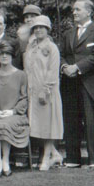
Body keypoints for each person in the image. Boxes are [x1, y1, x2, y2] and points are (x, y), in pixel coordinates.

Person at [59, 0, 94, 168]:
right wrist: (65, 66)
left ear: (88, 12)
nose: (74, 13)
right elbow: (61, 54)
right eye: (73, 10)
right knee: (70, 119)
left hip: (89, 82)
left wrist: (77, 67)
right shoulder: (68, 34)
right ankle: (73, 158)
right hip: (69, 82)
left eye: (77, 10)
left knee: (91, 121)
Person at [24, 15, 64, 171]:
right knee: (36, 125)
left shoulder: (52, 48)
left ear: (48, 29)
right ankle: (55, 154)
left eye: (42, 27)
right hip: (32, 90)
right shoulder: (31, 46)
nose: (38, 30)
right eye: (36, 27)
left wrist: (45, 90)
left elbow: (53, 71)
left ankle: (47, 157)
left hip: (46, 91)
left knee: (48, 125)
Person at [0, 41, 29, 178]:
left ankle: (6, 160)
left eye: (7, 54)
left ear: (12, 56)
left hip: (16, 115)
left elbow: (24, 98)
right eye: (1, 54)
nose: (4, 56)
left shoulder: (21, 75)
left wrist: (13, 111)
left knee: (5, 124)